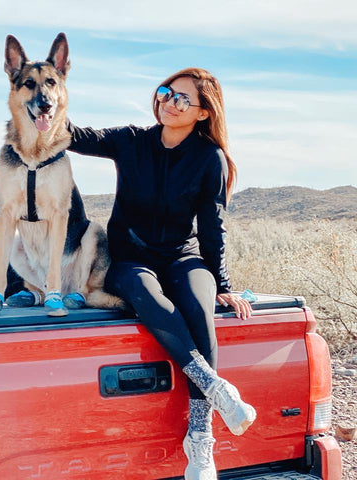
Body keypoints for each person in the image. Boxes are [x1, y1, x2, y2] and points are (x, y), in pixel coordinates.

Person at [67, 68, 256, 480]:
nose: (168, 102)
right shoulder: (132, 140)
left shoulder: (210, 159)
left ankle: (200, 436)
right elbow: (78, 136)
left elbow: (212, 226)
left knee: (198, 303)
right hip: (130, 259)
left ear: (204, 112)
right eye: (166, 92)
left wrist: (222, 284)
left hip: (182, 256)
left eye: (182, 99)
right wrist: (43, 106)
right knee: (144, 293)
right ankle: (215, 386)